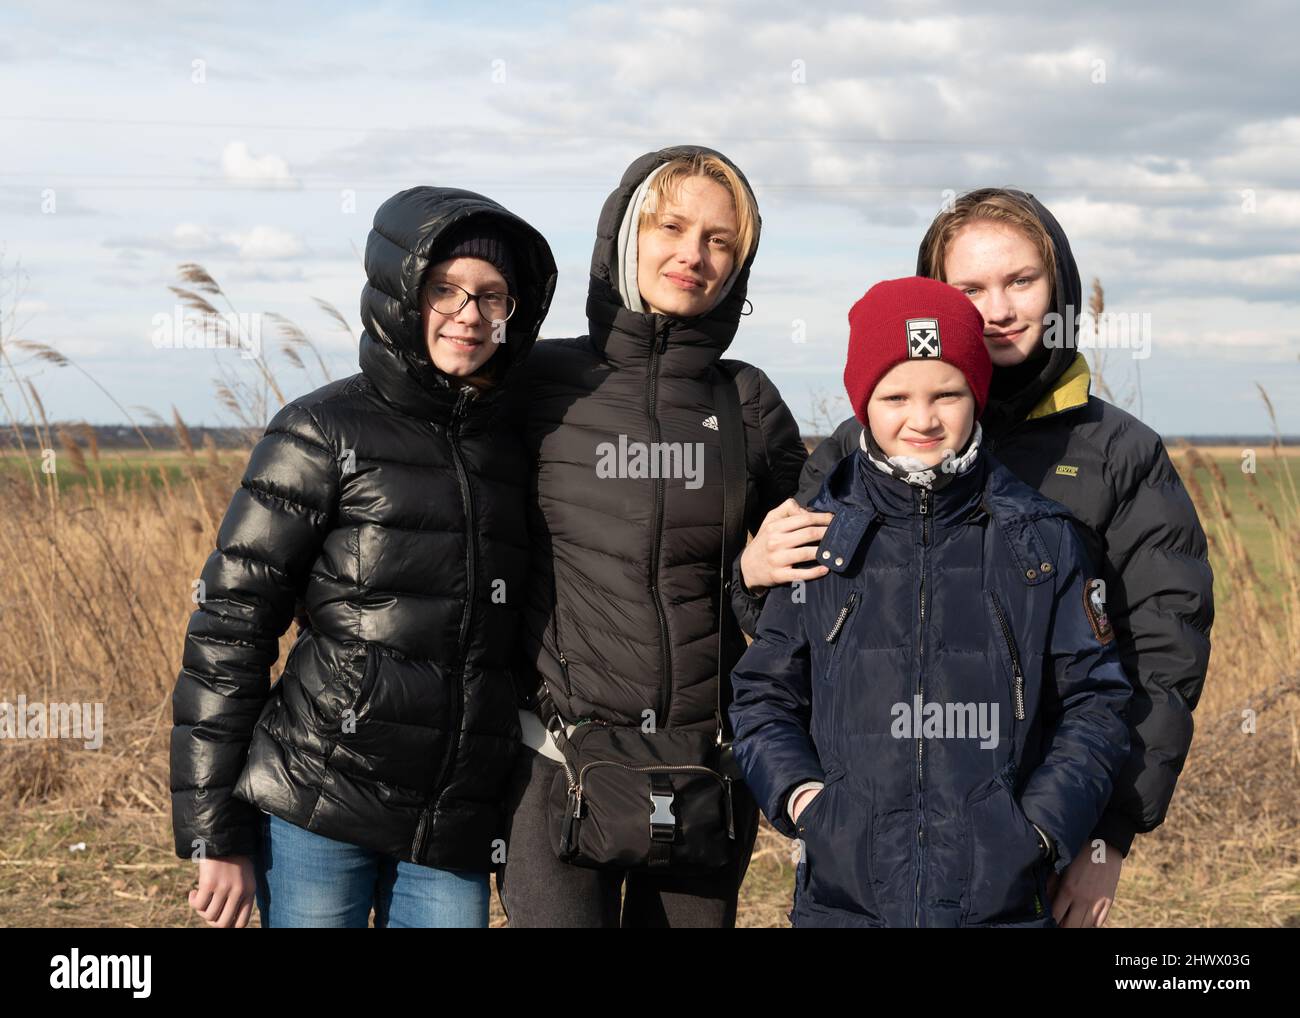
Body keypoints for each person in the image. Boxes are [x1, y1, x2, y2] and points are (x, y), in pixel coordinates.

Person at [795, 189, 1214, 927]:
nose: (999, 308)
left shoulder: (1121, 455)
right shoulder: (856, 456)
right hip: (875, 860)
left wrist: (1102, 835)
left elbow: (1162, 651)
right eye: (970, 289)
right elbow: (791, 638)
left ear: (1060, 288)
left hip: (1038, 854)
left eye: (1021, 280)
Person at [169, 187, 557, 927]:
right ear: (400, 291)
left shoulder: (516, 447)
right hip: (319, 800)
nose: (468, 314)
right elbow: (229, 630)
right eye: (444, 289)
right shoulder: (319, 431)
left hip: (450, 822)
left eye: (492, 297)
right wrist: (216, 829)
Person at [729, 275, 1132, 928]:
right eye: (895, 396)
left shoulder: (1042, 540)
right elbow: (762, 695)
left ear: (977, 394)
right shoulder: (818, 536)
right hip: (844, 904)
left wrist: (1036, 829)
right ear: (863, 401)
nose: (922, 418)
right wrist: (805, 802)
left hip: (1000, 903)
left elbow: (1096, 702)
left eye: (947, 393)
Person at [497, 145, 812, 927]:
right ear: (624, 235)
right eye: (671, 226)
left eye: (719, 241)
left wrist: (751, 575)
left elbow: (807, 587)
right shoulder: (535, 384)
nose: (692, 255)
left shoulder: (748, 403)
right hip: (553, 761)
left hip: (704, 769)